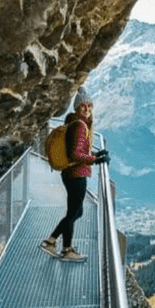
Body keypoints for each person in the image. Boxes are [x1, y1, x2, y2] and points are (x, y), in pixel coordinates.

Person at [40, 89, 110, 261]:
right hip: (76, 175)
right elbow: (76, 154)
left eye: (89, 106)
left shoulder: (75, 123)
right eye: (83, 106)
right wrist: (95, 159)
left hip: (71, 173)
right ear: (77, 108)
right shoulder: (80, 126)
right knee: (73, 213)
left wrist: (96, 155)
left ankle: (52, 242)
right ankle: (65, 249)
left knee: (76, 212)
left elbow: (77, 150)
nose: (87, 109)